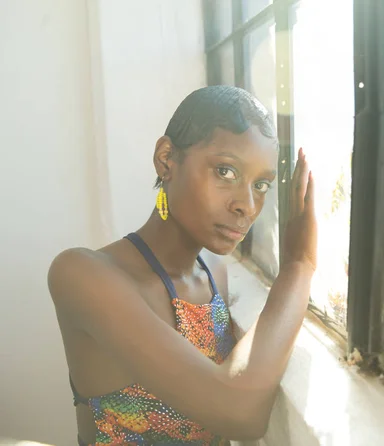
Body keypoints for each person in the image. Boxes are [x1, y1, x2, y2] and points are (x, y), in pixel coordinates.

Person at [47, 86, 317, 445]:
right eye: (226, 171)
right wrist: (299, 266)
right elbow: (240, 415)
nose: (247, 206)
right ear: (166, 159)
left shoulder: (214, 274)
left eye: (261, 184)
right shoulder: (83, 275)